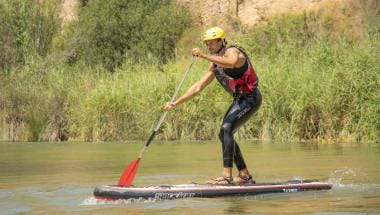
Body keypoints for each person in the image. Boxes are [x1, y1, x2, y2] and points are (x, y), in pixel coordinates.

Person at [164, 27, 262, 184]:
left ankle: (226, 176)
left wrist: (203, 56)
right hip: (239, 100)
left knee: (226, 129)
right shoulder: (215, 65)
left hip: (251, 98)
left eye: (211, 43)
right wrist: (175, 103)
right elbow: (198, 87)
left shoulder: (234, 52)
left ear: (222, 41)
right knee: (223, 134)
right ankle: (244, 175)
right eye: (206, 44)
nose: (208, 46)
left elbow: (231, 63)